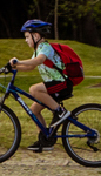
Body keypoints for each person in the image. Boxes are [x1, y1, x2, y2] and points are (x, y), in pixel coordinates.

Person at [6, 19, 75, 152]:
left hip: (61, 84)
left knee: (34, 89)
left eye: (27, 37)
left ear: (36, 36)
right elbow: (30, 67)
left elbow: (39, 60)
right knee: (34, 110)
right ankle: (46, 140)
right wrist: (14, 67)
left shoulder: (45, 48)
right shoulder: (37, 50)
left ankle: (60, 112)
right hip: (53, 86)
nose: (26, 40)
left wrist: (19, 62)